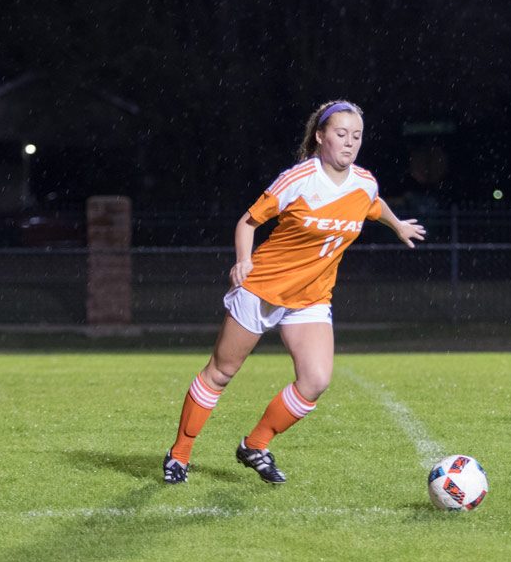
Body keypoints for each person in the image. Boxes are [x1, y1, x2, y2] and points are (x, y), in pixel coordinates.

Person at [162, 100, 426, 484]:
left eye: (357, 136)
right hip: (262, 289)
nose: (349, 143)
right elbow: (247, 222)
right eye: (340, 134)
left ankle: (255, 445)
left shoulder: (364, 182)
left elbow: (372, 203)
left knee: (316, 380)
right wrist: (242, 261)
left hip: (312, 297)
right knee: (221, 372)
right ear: (320, 137)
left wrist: (397, 224)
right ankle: (179, 454)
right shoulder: (299, 179)